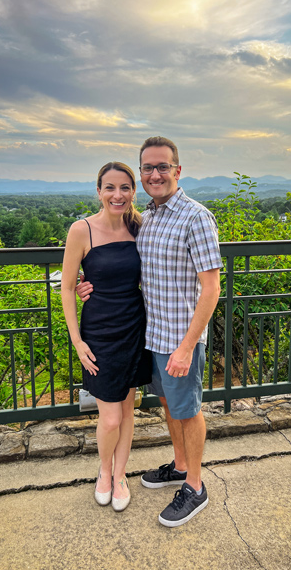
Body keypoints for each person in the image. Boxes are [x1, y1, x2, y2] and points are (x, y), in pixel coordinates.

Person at [77, 137, 222, 527]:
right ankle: (179, 466)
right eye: (148, 168)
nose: (155, 174)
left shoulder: (196, 216)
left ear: (177, 170)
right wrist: (88, 283)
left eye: (163, 166)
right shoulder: (148, 218)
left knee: (188, 410)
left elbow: (211, 288)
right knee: (171, 406)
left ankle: (195, 486)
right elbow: (119, 265)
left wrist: (188, 346)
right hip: (149, 336)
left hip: (180, 340)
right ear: (142, 174)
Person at [61, 161, 152, 513]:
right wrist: (78, 341)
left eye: (126, 187)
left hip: (135, 327)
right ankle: (103, 471)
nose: (118, 195)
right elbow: (68, 289)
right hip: (99, 332)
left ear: (134, 191)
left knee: (128, 410)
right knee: (110, 417)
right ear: (98, 191)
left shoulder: (140, 226)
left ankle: (120, 476)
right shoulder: (81, 230)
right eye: (110, 187)